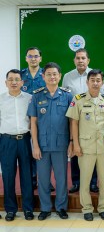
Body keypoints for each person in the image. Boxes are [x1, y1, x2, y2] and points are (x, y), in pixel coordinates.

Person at [28, 62, 73, 221]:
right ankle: (45, 208)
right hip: (43, 145)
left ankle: (61, 207)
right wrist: (35, 145)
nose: (52, 77)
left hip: (61, 144)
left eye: (55, 74)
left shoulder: (68, 95)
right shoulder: (37, 96)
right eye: (49, 74)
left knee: (61, 179)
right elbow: (33, 122)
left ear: (60, 76)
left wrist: (72, 142)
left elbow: (72, 122)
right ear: (43, 76)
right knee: (43, 179)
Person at [66, 69, 104, 222]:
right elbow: (74, 123)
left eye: (98, 80)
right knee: (84, 180)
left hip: (102, 147)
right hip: (85, 147)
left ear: (102, 82)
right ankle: (87, 209)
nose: (96, 83)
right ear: (87, 82)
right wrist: (75, 144)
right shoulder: (78, 99)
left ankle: (103, 208)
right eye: (92, 80)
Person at [62, 48, 99, 194]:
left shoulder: (94, 75)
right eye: (78, 58)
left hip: (92, 120)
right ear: (74, 60)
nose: (80, 61)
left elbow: (99, 96)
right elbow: (65, 98)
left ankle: (93, 182)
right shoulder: (67, 76)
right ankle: (76, 181)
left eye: (83, 58)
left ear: (88, 60)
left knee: (92, 152)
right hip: (74, 119)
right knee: (76, 150)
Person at [0, 69, 34, 221]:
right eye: (10, 79)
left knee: (27, 175)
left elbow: (33, 122)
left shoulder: (29, 98)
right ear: (6, 82)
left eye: (17, 79)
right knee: (8, 176)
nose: (14, 82)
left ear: (22, 82)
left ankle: (28, 209)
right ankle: (10, 209)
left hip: (25, 140)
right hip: (6, 141)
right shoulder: (0, 99)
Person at [20, 47, 54, 191]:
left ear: (40, 58)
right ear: (26, 58)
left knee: (45, 150)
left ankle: (46, 181)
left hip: (44, 118)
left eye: (36, 56)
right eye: (30, 56)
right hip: (24, 118)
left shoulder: (46, 74)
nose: (33, 59)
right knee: (29, 151)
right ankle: (32, 179)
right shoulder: (21, 75)